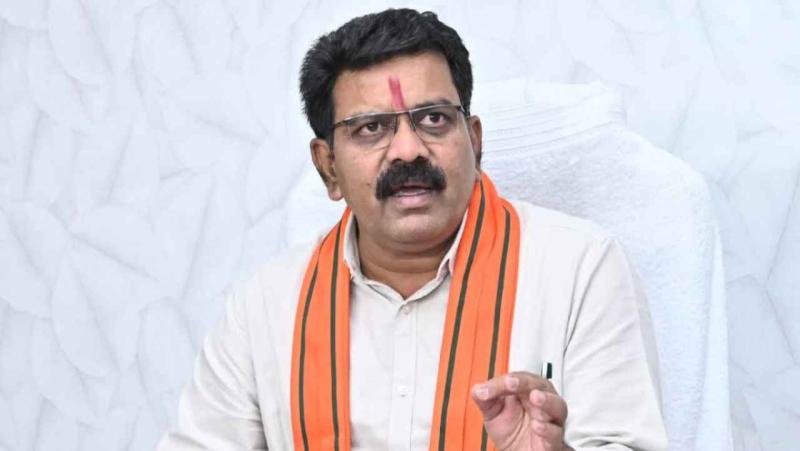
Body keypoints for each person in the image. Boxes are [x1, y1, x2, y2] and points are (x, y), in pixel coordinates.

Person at [158, 8, 668, 451]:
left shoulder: (579, 268)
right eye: (371, 128)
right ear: (328, 167)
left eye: (433, 119)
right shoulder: (267, 306)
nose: (407, 150)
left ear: (475, 142)